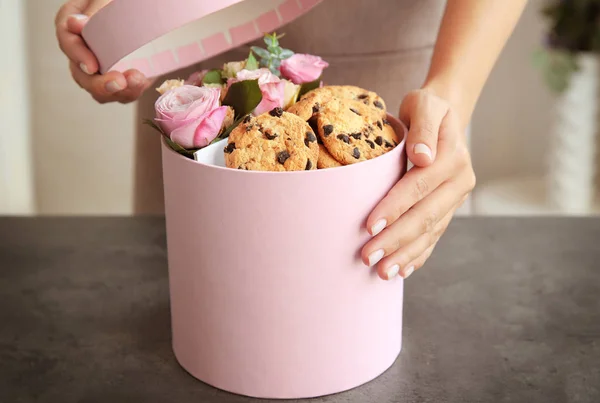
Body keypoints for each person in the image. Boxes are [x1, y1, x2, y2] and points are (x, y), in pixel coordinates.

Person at [55, 0, 527, 280]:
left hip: (400, 66)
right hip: (197, 75)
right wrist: (112, 25)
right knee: (188, 297)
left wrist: (451, 91)